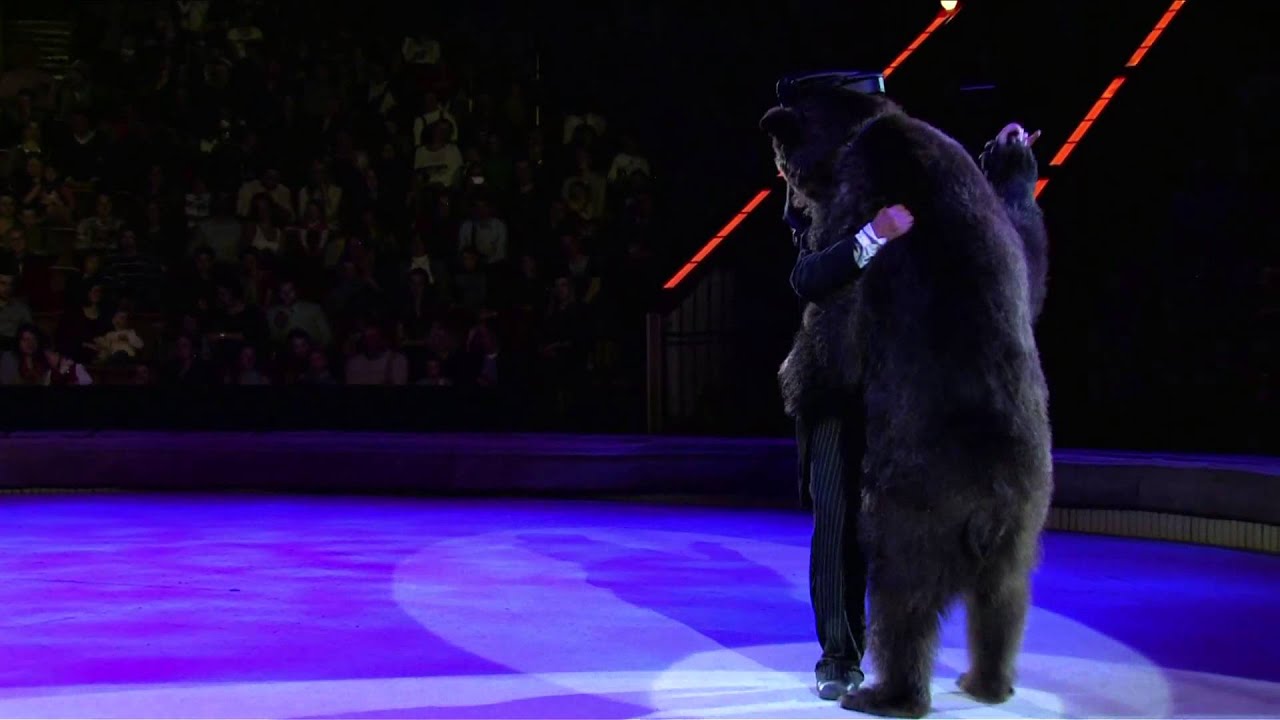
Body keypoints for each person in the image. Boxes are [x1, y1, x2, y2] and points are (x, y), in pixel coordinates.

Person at [785, 183, 913, 701]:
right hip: (833, 382)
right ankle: (838, 654)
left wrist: (1004, 168)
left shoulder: (902, 175)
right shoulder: (819, 193)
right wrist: (872, 235)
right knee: (835, 520)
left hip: (897, 388)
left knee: (898, 528)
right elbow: (808, 276)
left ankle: (901, 657)